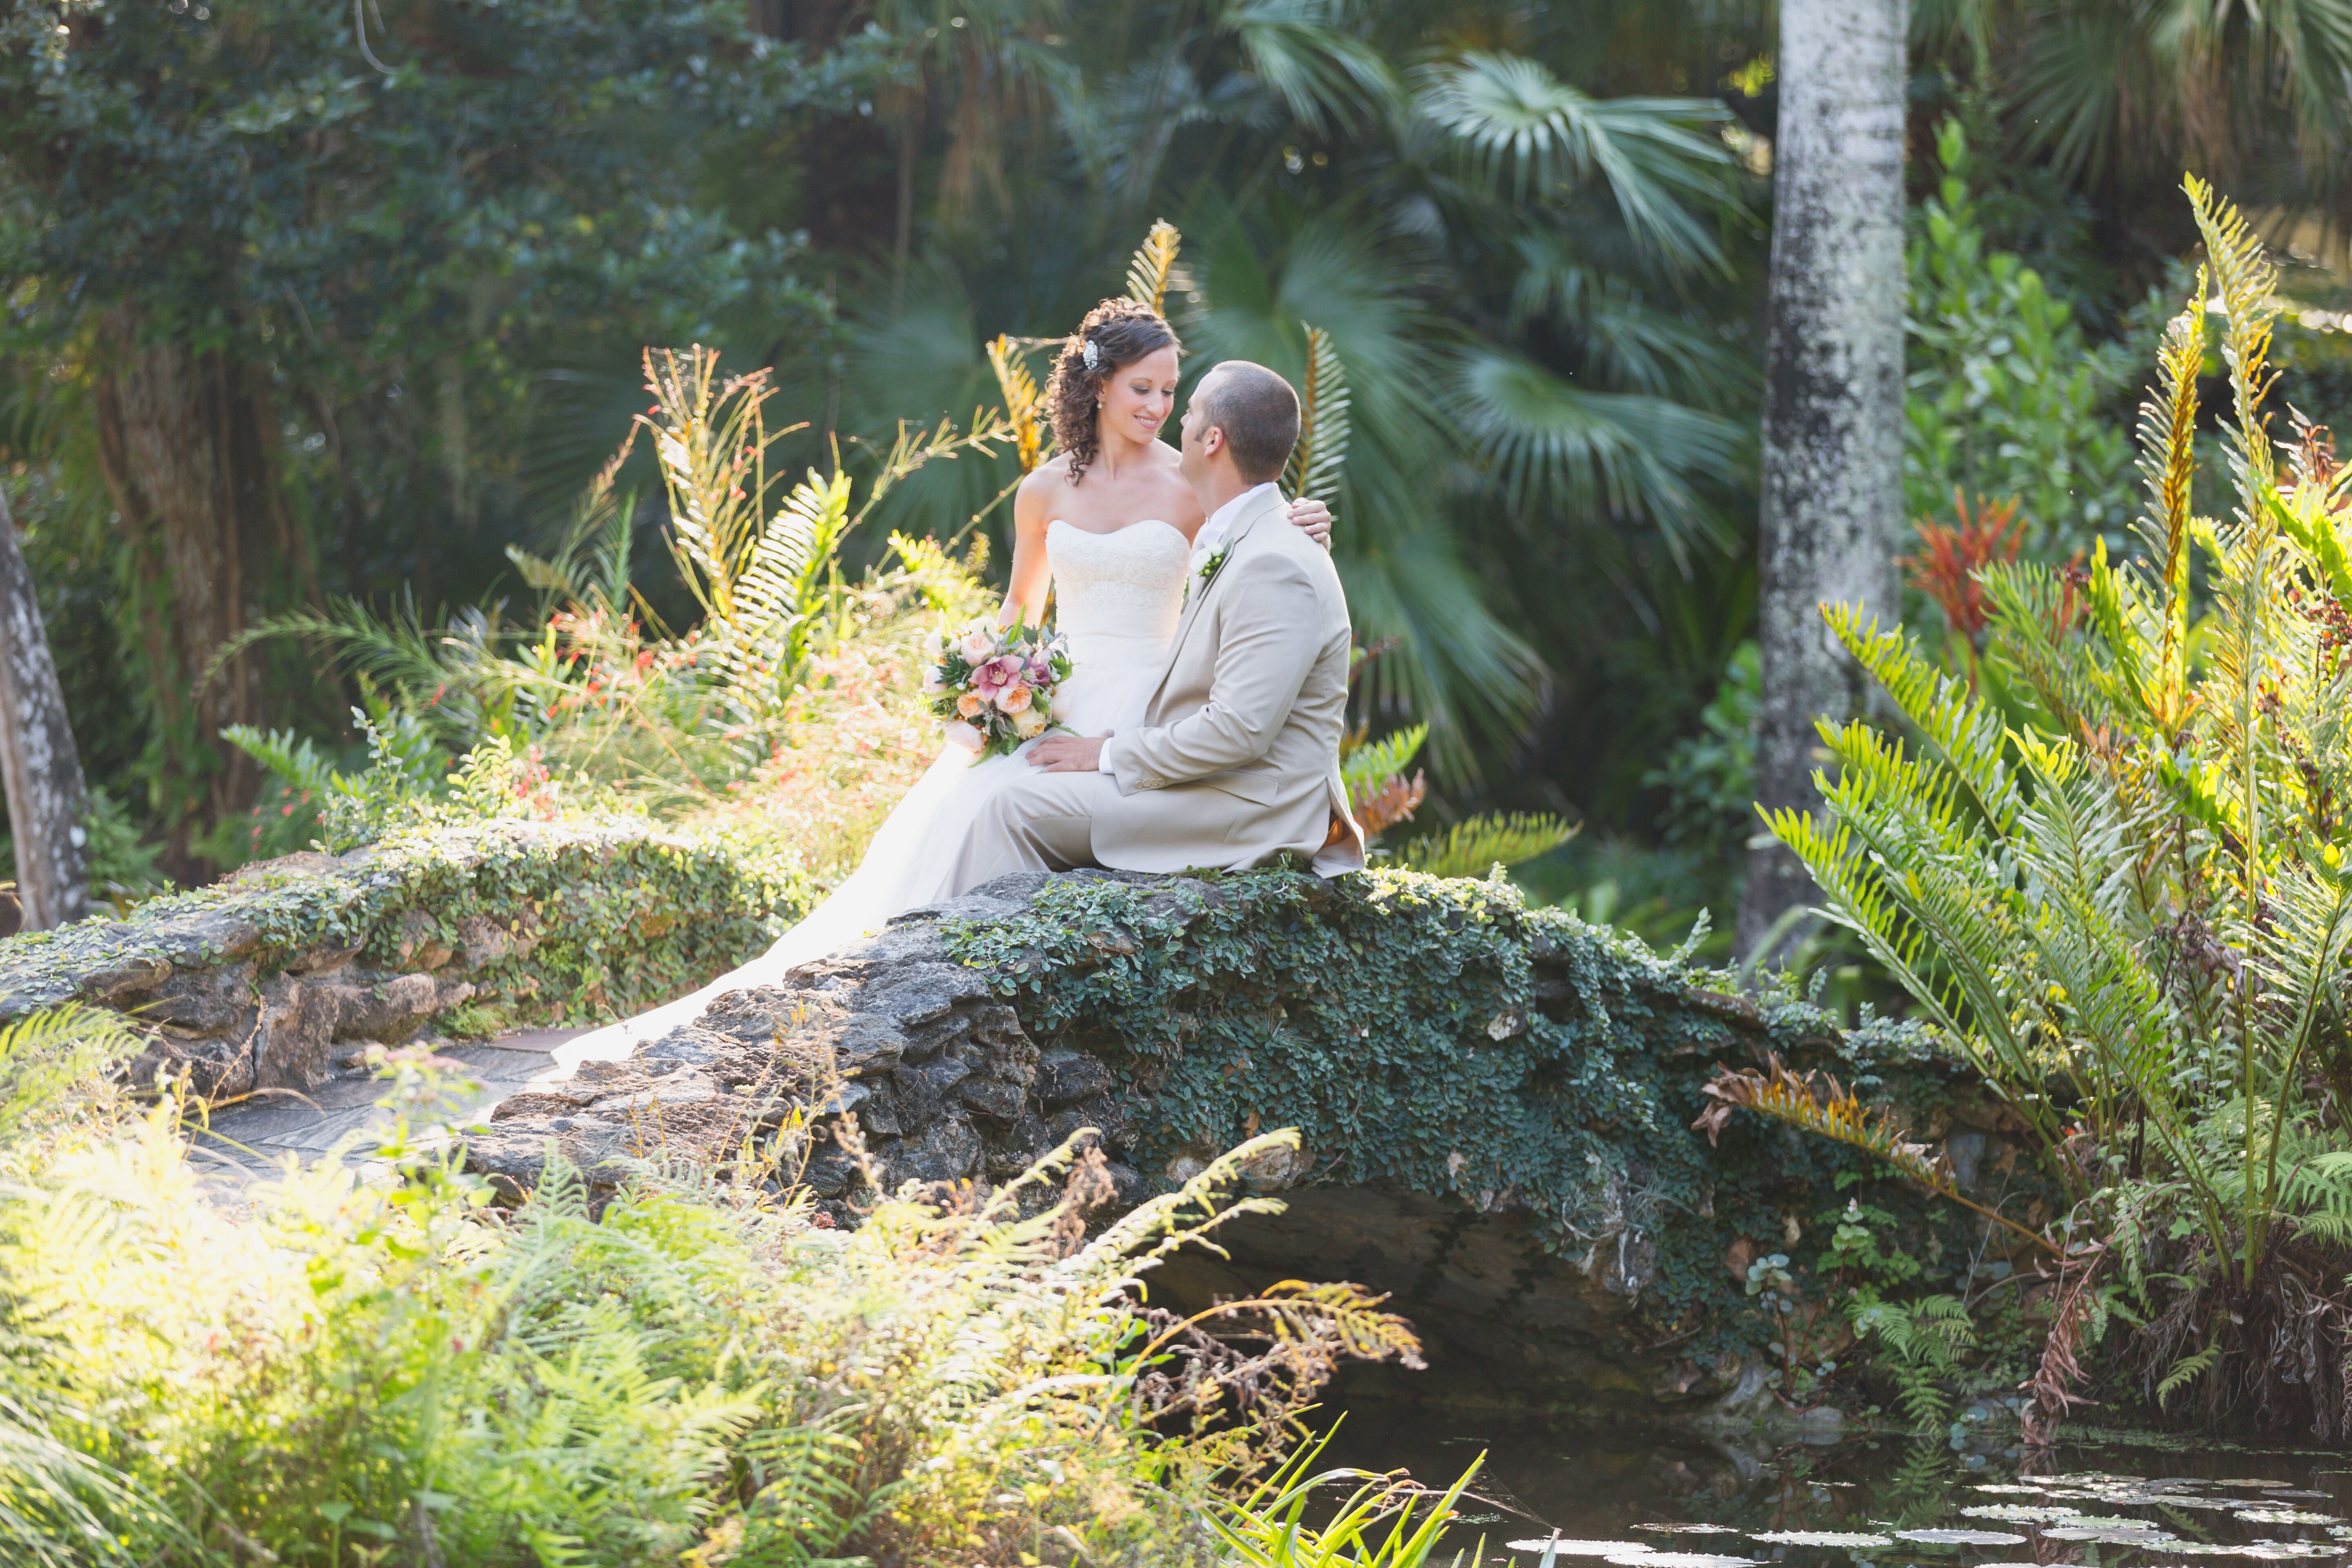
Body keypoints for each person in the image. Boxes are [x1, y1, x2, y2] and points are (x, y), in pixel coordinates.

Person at [554, 301, 1332, 1069]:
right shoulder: (1043, 492)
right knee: (961, 813)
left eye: (1172, 393)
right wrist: (990, 683)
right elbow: (1022, 615)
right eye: (1144, 390)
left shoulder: (1190, 483)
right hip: (1062, 691)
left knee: (1029, 810)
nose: (1161, 409)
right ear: (1099, 387)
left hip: (1144, 700)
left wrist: (1303, 521)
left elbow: (1247, 523)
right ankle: (878, 987)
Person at [945, 358, 1365, 893]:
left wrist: (1107, 754)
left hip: (1249, 806)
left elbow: (1239, 730)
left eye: (1184, 408)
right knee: (1016, 787)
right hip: (1217, 779)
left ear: (1212, 440)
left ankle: (972, 965)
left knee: (1012, 806)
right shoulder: (1246, 537)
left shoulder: (1273, 560)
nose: (1172, 419)